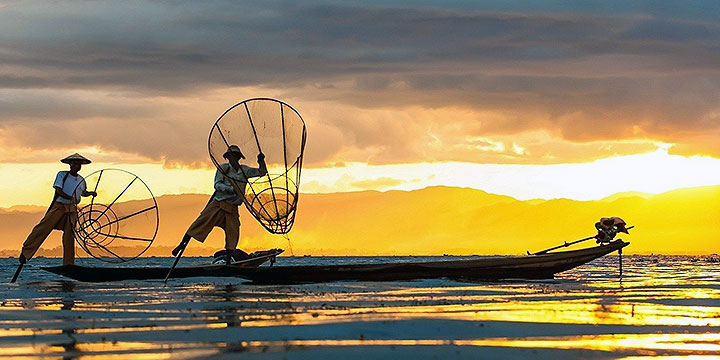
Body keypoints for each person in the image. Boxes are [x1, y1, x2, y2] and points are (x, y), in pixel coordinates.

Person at [172, 145, 267, 264]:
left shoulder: (244, 170)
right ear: (228, 157)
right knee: (199, 224)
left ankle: (228, 260)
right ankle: (181, 245)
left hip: (232, 208)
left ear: (238, 157)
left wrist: (261, 161)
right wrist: (230, 189)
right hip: (218, 204)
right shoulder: (223, 168)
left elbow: (262, 172)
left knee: (233, 233)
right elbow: (217, 185)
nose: (233, 158)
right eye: (231, 156)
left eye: (236, 156)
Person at [19, 153, 97, 266]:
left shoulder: (81, 180)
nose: (77, 166)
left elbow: (82, 193)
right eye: (75, 163)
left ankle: (69, 263)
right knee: (43, 228)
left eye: (79, 164)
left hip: (72, 209)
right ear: (70, 164)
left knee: (70, 235)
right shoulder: (62, 175)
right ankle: (26, 252)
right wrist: (70, 197)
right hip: (59, 205)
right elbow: (58, 190)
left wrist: (90, 194)